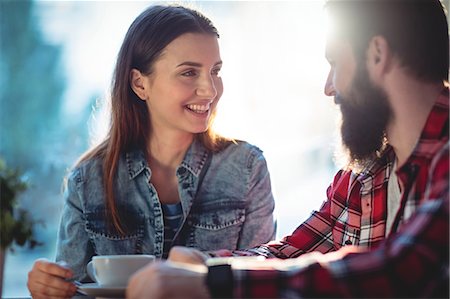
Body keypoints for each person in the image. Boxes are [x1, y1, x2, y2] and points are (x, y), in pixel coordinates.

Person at [126, 0, 449, 298]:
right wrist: (202, 265)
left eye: (335, 62)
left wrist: (215, 281)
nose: (329, 86)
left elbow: (403, 271)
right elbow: (289, 254)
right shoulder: (362, 179)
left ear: (377, 54)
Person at [26, 4, 276, 298]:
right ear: (139, 83)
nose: (210, 90)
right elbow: (75, 288)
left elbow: (261, 284)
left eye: (215, 71)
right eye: (189, 73)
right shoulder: (88, 180)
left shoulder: (247, 168)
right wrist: (48, 287)